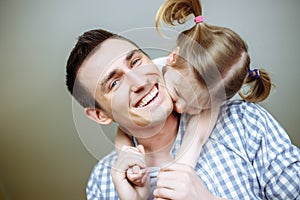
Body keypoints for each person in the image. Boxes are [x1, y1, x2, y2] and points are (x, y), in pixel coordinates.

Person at [65, 28, 300, 199]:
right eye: (114, 83)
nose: (139, 82)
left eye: (136, 61)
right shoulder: (102, 184)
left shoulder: (245, 123)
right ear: (100, 116)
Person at [114, 0, 272, 187]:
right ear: (171, 58)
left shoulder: (214, 96)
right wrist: (124, 151)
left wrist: (182, 165)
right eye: (179, 93)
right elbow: (124, 123)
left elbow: (197, 134)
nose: (180, 107)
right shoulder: (152, 72)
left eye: (196, 107)